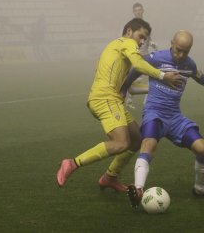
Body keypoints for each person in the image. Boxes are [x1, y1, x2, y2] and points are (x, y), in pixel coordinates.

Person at [56, 18, 182, 192]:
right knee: (121, 143)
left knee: (137, 139)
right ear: (129, 31)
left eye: (145, 38)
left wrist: (155, 88)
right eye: (141, 36)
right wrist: (162, 76)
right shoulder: (126, 42)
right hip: (104, 99)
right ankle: (72, 163)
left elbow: (129, 87)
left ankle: (110, 177)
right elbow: (138, 64)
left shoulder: (118, 49)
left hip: (111, 100)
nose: (142, 41)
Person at [123, 30, 204, 208]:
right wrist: (124, 88)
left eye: (185, 51)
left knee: (203, 150)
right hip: (154, 113)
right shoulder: (156, 58)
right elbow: (136, 68)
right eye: (178, 50)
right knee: (149, 144)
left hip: (175, 117)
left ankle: (200, 189)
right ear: (171, 43)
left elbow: (200, 77)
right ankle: (138, 189)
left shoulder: (189, 64)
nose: (181, 55)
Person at [125, 3, 158, 109]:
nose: (138, 12)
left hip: (146, 55)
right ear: (133, 12)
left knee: (153, 77)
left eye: (140, 10)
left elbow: (148, 37)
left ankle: (147, 101)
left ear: (143, 10)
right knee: (134, 80)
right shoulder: (131, 26)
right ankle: (129, 99)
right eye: (136, 10)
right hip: (135, 56)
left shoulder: (146, 24)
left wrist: (152, 43)